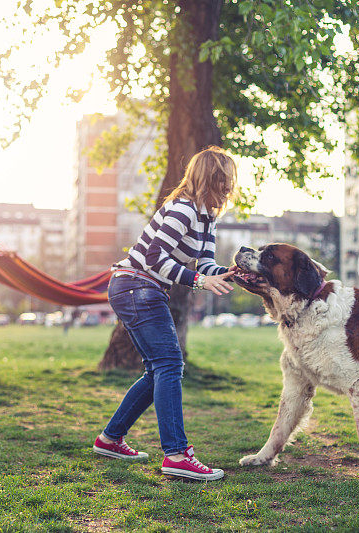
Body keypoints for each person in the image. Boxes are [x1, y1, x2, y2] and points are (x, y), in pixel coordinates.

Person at [92, 146, 238, 481]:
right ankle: (176, 454)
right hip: (135, 284)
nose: (230, 185)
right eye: (226, 178)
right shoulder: (183, 209)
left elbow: (204, 264)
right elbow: (155, 257)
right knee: (169, 363)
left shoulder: (206, 217)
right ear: (212, 178)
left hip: (143, 288)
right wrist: (200, 281)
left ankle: (110, 439)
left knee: (159, 369)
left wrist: (229, 274)